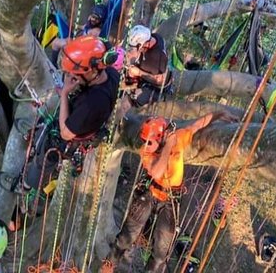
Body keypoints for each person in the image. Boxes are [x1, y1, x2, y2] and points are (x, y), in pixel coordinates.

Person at [102, 111, 237, 272]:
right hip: (150, 193)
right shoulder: (146, 150)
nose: (145, 144)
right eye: (145, 141)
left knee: (161, 253)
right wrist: (168, 147)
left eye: (149, 142)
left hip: (170, 200)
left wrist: (217, 115)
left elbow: (196, 126)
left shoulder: (178, 138)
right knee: (126, 237)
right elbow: (157, 171)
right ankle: (109, 265)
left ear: (160, 138)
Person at [23, 35, 120, 191]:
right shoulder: (111, 74)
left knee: (44, 160)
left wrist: (64, 94)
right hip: (82, 118)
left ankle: (28, 185)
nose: (70, 77)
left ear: (90, 72)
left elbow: (66, 133)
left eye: (74, 75)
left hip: (70, 138)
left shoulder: (92, 103)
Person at [120, 25, 171, 116]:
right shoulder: (155, 37)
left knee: (126, 102)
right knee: (122, 79)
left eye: (136, 47)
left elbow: (160, 81)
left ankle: (117, 120)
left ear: (143, 44)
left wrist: (139, 73)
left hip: (155, 87)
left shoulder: (157, 58)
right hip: (144, 74)